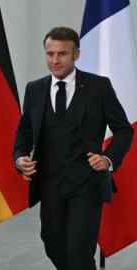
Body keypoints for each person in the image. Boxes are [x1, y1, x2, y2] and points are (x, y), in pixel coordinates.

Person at [13, 26, 133, 270]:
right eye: (50, 54)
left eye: (62, 54)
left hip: (86, 183)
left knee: (79, 251)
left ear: (76, 54)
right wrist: (19, 159)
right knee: (53, 244)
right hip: (49, 184)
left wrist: (108, 159)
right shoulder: (35, 89)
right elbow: (24, 132)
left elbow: (124, 130)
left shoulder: (99, 87)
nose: (55, 60)